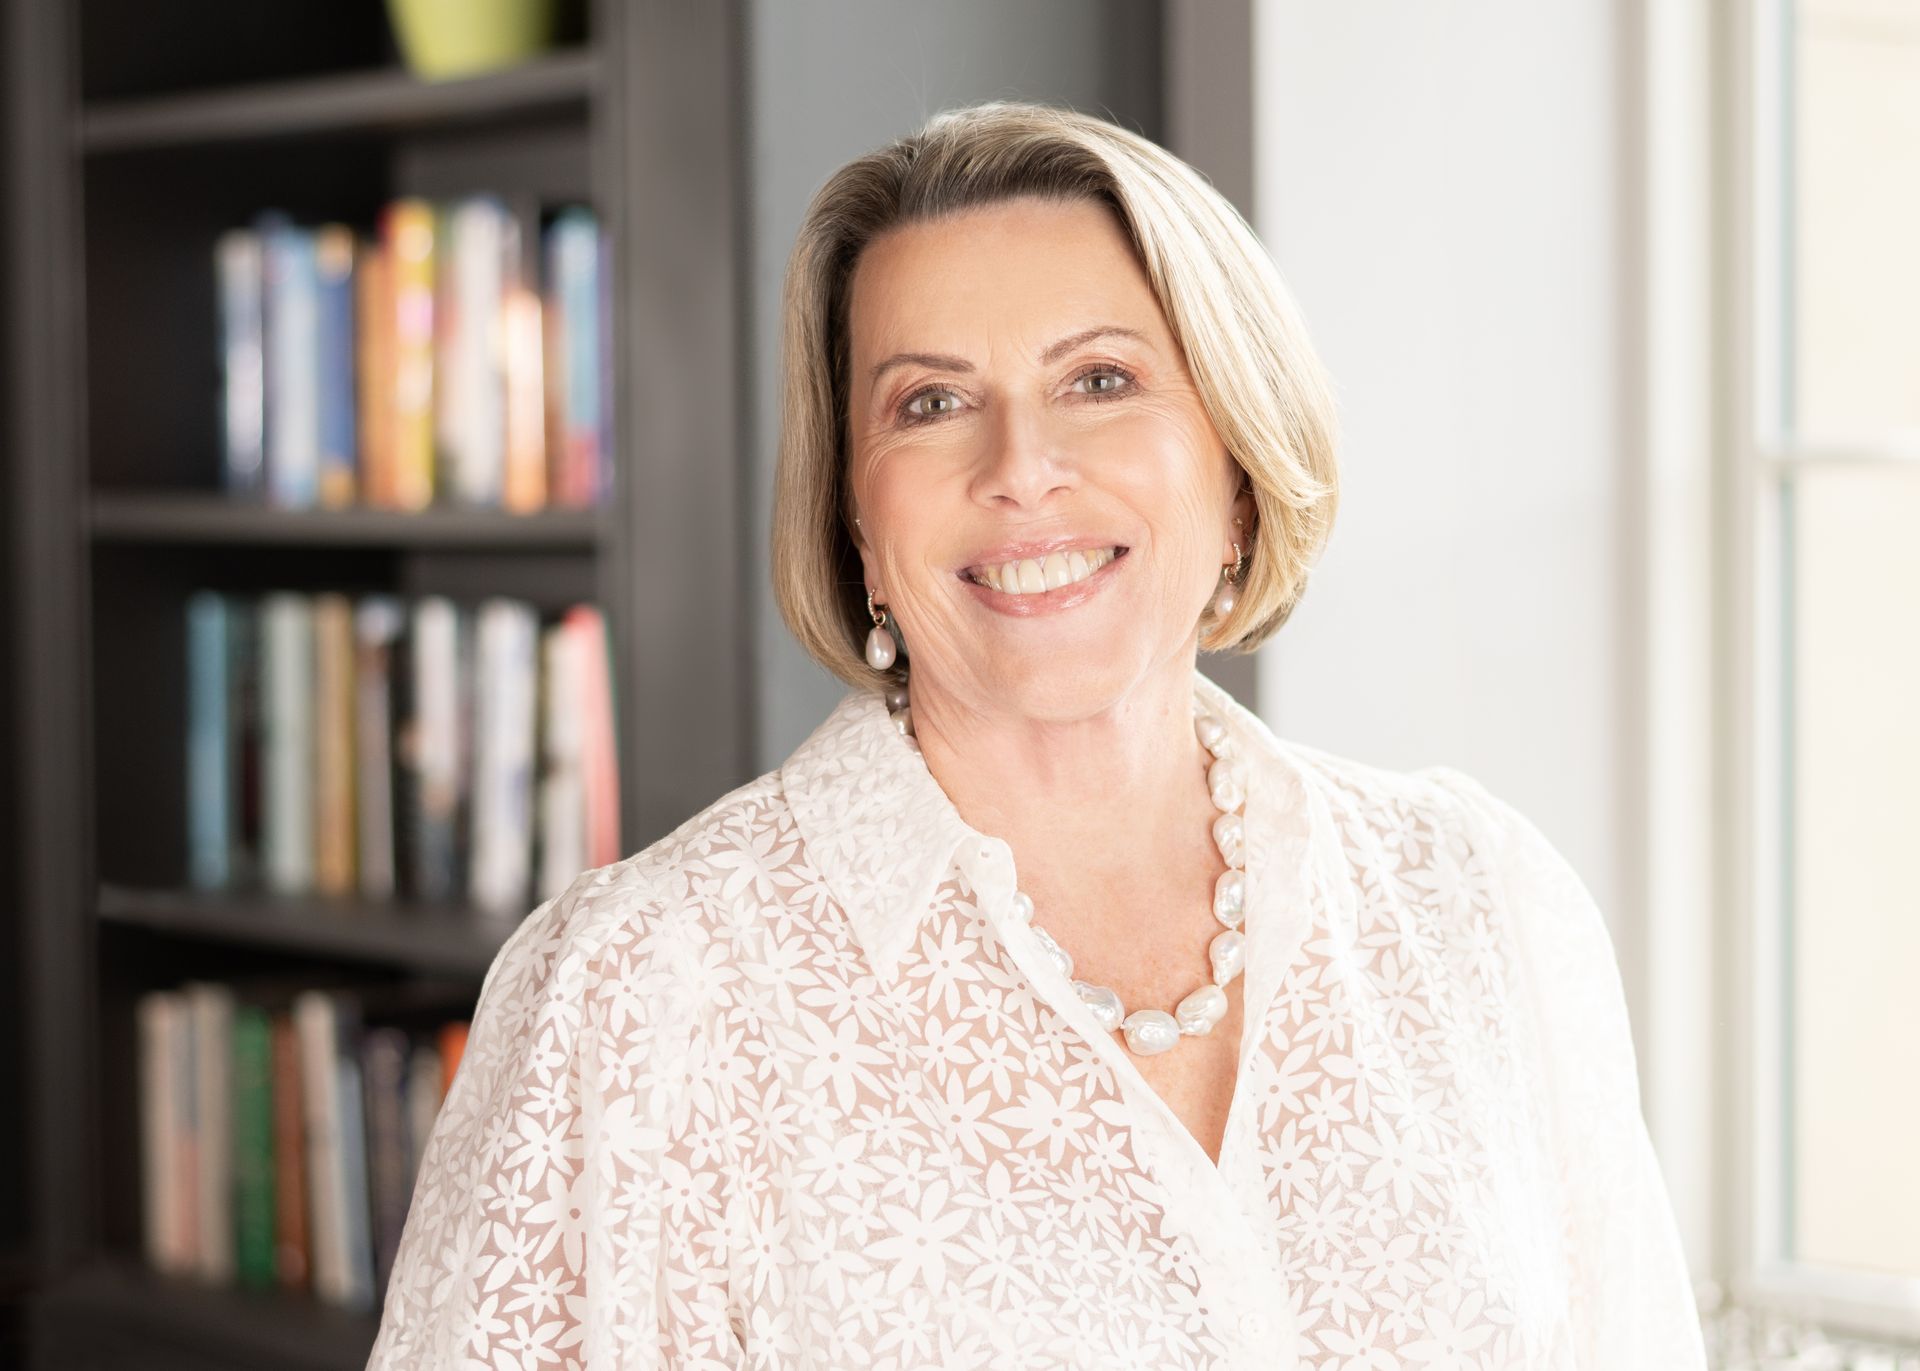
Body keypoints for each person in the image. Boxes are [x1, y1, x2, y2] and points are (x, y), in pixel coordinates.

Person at [368, 100, 1707, 1370]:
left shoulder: (1480, 906)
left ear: (1237, 467)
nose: (1019, 465)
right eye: (929, 404)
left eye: (1101, 379)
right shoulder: (637, 995)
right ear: (856, 523)